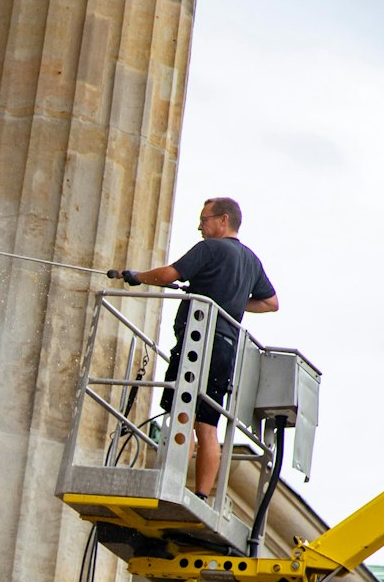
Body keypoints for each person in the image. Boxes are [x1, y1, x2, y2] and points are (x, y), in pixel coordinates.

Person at [113, 197, 278, 501]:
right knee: (208, 425)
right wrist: (228, 300)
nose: (200, 226)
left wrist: (135, 277)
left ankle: (172, 484)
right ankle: (201, 495)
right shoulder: (251, 260)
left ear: (223, 220)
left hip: (197, 341)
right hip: (226, 349)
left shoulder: (210, 248)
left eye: (204, 220)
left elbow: (167, 275)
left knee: (182, 414)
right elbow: (271, 303)